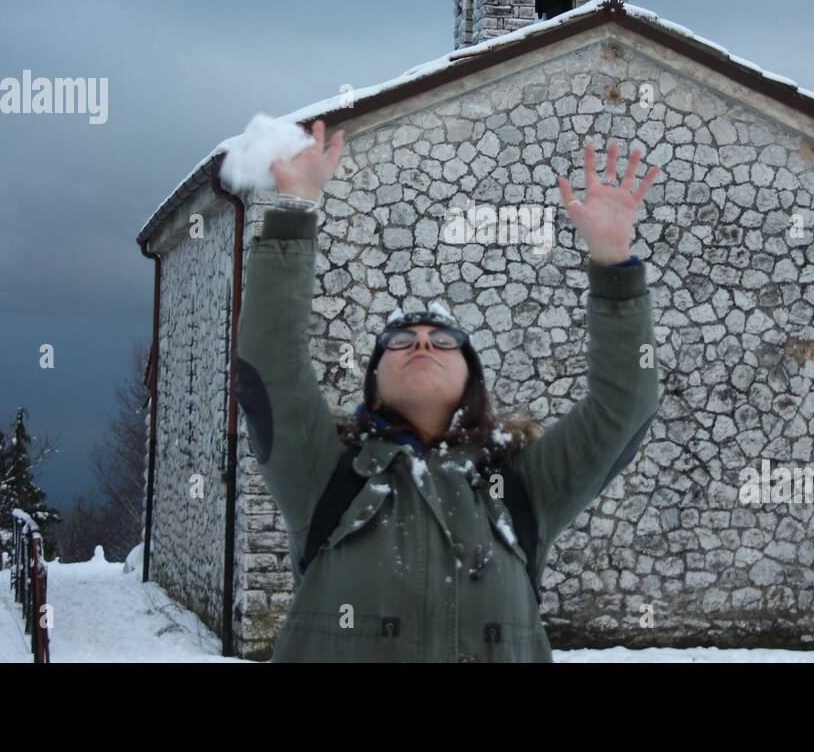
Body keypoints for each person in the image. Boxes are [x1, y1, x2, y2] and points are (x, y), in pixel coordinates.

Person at [233, 119, 661, 661]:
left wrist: (612, 259)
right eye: (400, 340)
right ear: (374, 383)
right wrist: (295, 208)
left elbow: (623, 407)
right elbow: (270, 364)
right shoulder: (324, 474)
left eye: (443, 340)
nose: (422, 346)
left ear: (471, 381)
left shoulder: (524, 488)